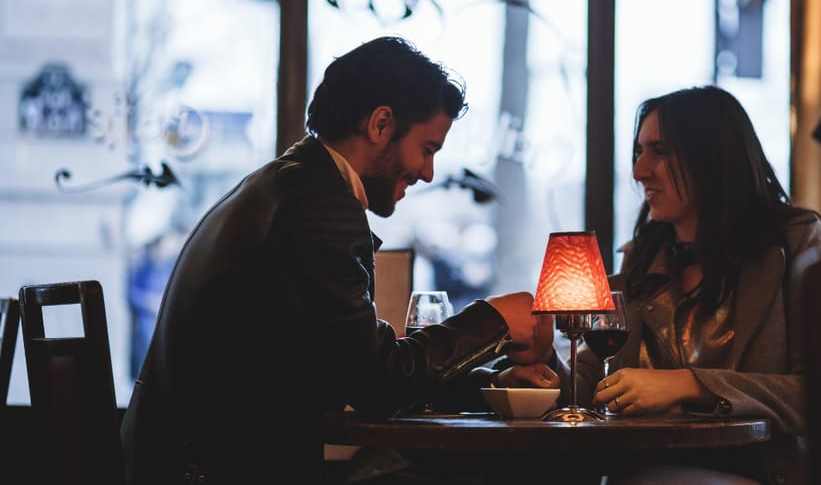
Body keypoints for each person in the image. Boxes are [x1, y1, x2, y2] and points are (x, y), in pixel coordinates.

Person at [120, 36, 555, 485]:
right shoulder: (317, 205)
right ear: (381, 124)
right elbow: (378, 384)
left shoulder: (288, 184)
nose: (428, 173)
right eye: (427, 149)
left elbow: (351, 365)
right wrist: (496, 320)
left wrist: (492, 385)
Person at [543, 85, 821, 484]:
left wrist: (689, 385)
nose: (639, 170)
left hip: (770, 472)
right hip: (647, 469)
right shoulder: (644, 257)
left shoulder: (794, 241)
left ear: (712, 158)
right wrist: (542, 365)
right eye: (639, 152)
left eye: (659, 151)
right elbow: (592, 387)